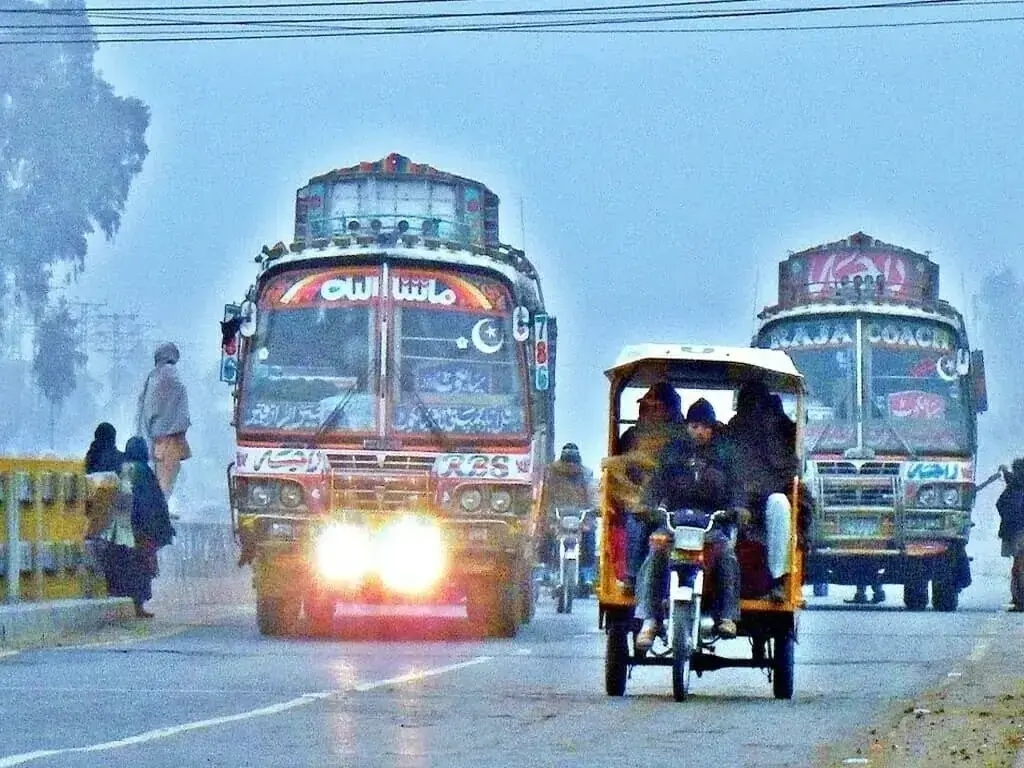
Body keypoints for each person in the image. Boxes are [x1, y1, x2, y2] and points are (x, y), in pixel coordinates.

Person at [634, 398, 742, 649]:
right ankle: (649, 620)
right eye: (694, 426)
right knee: (655, 553)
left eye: (704, 427)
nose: (699, 431)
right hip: (674, 521)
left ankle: (727, 615)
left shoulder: (723, 453)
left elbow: (736, 486)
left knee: (727, 554)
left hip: (710, 524)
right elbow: (656, 483)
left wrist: (738, 508)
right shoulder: (672, 452)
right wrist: (646, 505)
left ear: (712, 429)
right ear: (687, 427)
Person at [602, 382, 687, 594]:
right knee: (634, 521)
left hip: (677, 502)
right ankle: (632, 578)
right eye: (645, 406)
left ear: (669, 410)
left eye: (654, 407)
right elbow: (617, 470)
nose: (647, 412)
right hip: (641, 501)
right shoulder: (631, 436)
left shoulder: (683, 439)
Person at [727, 381, 800, 601]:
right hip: (730, 499)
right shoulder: (730, 433)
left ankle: (778, 580)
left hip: (765, 500)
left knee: (780, 503)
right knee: (727, 518)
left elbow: (789, 470)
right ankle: (725, 584)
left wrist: (759, 491)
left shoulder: (782, 434)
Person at [119, 437, 176, 618]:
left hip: (123, 530)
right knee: (142, 567)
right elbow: (152, 503)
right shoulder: (144, 472)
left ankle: (133, 604)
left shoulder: (123, 470)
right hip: (142, 531)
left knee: (128, 567)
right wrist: (159, 528)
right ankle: (138, 606)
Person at [136, 342, 191, 497]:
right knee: (167, 478)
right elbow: (180, 410)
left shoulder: (154, 376)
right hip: (171, 438)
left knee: (158, 475)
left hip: (155, 436)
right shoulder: (172, 375)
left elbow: (146, 409)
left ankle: (158, 507)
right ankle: (160, 507)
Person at [540, 443, 597, 586]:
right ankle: (545, 568)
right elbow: (545, 494)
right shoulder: (550, 473)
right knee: (545, 536)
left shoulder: (587, 474)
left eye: (573, 462)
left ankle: (587, 573)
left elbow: (594, 493)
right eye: (567, 462)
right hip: (557, 515)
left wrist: (596, 509)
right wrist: (545, 514)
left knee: (589, 536)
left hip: (581, 516)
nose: (570, 466)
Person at [996, 459, 1024, 612]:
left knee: (1019, 567)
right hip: (1016, 531)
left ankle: (1020, 601)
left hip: (1018, 531)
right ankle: (1018, 600)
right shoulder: (1015, 486)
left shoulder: (1017, 488)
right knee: (1017, 567)